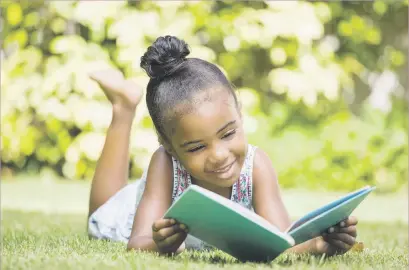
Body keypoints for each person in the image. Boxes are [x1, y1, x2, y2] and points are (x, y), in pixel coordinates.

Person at [87, 35, 358, 257]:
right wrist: (161, 244)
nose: (218, 155)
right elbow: (138, 242)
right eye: (195, 147)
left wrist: (321, 244)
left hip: (147, 197)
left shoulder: (257, 165)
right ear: (168, 145)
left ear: (239, 113)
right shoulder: (165, 163)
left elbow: (281, 241)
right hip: (128, 214)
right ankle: (123, 108)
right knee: (100, 212)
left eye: (228, 134)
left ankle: (125, 104)